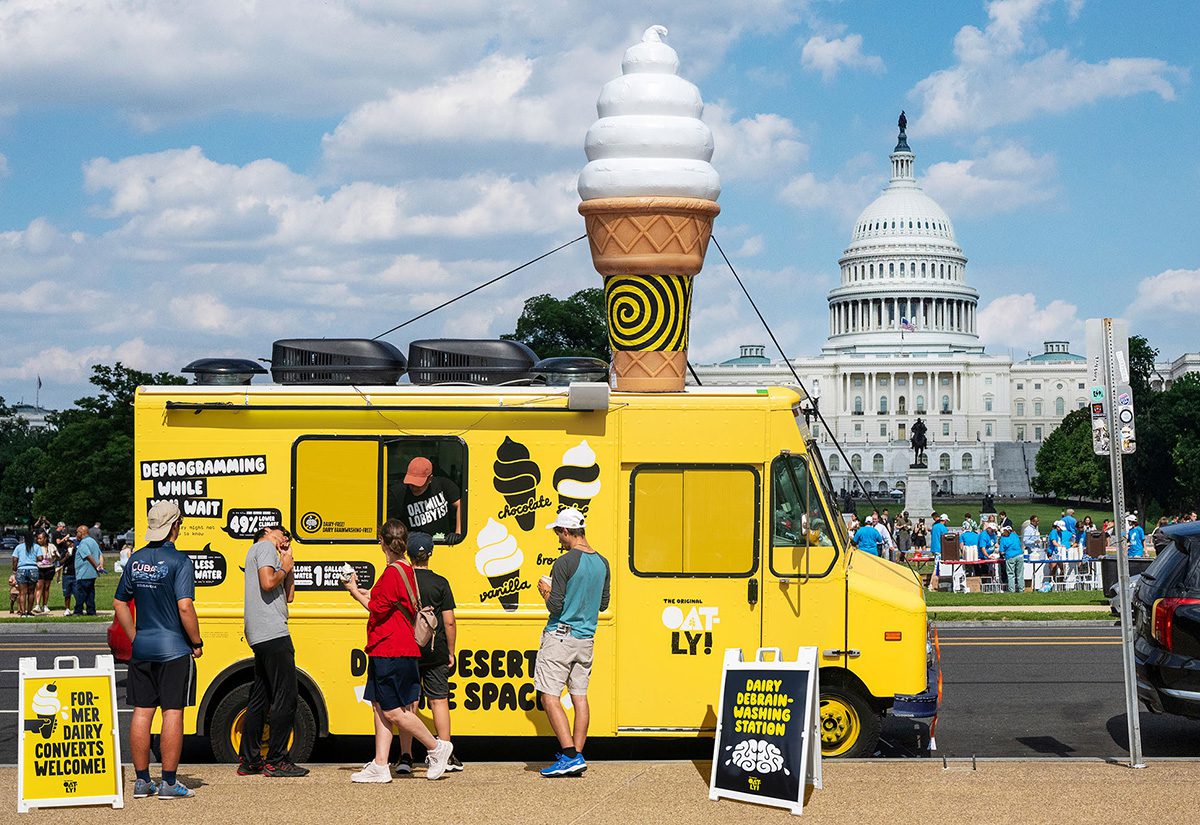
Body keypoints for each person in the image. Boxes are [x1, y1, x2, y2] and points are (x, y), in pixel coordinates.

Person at [342, 519, 453, 783]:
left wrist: (353, 591)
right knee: (380, 706)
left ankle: (437, 748)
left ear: (382, 542)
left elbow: (376, 608)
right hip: (394, 647)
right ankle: (380, 765)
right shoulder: (405, 568)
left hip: (391, 647)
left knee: (394, 711)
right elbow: (387, 602)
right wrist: (368, 593)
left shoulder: (392, 572)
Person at [113, 501, 203, 799]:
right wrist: (197, 642)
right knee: (172, 712)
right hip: (173, 648)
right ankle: (168, 781)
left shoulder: (136, 559)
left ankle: (141, 781)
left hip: (144, 647)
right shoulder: (179, 561)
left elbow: (119, 603)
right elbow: (185, 606)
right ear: (175, 526)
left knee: (142, 711)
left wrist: (135, 636)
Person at [536, 508, 610, 778]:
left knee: (549, 696)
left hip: (561, 636)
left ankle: (569, 754)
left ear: (567, 532)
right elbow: (603, 604)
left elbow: (555, 606)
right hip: (586, 639)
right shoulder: (602, 562)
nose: (558, 538)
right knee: (579, 696)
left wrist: (546, 591)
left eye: (559, 532)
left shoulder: (565, 562)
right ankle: (576, 756)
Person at [238, 525, 308, 778]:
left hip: (259, 632)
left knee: (261, 696)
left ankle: (250, 759)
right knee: (286, 695)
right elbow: (268, 583)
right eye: (283, 533)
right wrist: (283, 566)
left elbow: (289, 596)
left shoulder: (262, 552)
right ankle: (277, 759)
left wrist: (289, 564)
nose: (286, 538)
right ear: (267, 530)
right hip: (273, 632)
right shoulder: (265, 546)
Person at [395, 532, 463, 774]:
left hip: (406, 650)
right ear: (430, 554)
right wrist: (451, 652)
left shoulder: (402, 580)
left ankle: (405, 757)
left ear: (408, 554)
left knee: (408, 704)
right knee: (438, 700)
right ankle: (445, 755)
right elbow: (450, 622)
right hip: (436, 651)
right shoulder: (440, 582)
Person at [391, 457, 462, 542]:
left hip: (442, 545)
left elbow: (460, 504)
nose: (413, 487)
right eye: (410, 483)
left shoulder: (443, 485)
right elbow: (389, 524)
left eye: (418, 484)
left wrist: (458, 533)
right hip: (413, 546)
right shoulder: (398, 493)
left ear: (430, 479)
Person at [73, 524, 104, 616]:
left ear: (82, 532)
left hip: (84, 573)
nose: (76, 534)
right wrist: (100, 566)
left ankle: (78, 611)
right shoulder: (93, 541)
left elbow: (88, 556)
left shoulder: (84, 543)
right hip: (92, 574)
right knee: (90, 593)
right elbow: (101, 555)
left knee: (81, 593)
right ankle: (91, 611)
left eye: (77, 532)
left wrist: (96, 566)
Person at [10, 533, 37, 617]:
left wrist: (14, 570)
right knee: (31, 592)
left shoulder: (19, 547)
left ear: (24, 539)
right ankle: (29, 611)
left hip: (21, 569)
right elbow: (40, 558)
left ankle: (22, 611)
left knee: (22, 592)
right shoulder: (36, 547)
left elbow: (15, 559)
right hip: (33, 569)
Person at [33, 530, 56, 614]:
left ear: (45, 538)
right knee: (39, 586)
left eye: (40, 538)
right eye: (38, 538)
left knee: (46, 587)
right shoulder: (35, 547)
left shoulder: (51, 546)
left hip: (49, 568)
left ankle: (45, 605)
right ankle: (37, 605)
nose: (39, 540)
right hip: (39, 568)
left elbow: (58, 556)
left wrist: (54, 555)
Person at [999, 524, 1024, 593]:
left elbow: (1001, 551)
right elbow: (1019, 544)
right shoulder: (1015, 535)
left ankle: (1011, 590)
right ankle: (1021, 589)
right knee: (1020, 574)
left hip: (1010, 557)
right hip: (1019, 555)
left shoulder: (1003, 539)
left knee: (1011, 574)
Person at [1045, 520, 1069, 589]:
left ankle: (1060, 584)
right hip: (1052, 553)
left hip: (1058, 553)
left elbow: (1059, 542)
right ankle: (1052, 584)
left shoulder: (1060, 533)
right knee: (1053, 568)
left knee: (1062, 568)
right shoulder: (1053, 532)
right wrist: (1061, 546)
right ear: (1058, 527)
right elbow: (1054, 542)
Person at [928, 514, 949, 592]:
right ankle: (931, 584)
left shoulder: (934, 526)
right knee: (936, 568)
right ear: (945, 520)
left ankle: (937, 583)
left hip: (934, 548)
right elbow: (946, 540)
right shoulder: (943, 528)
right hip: (939, 549)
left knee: (937, 567)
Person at [57, 537, 77, 616]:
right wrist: (66, 557)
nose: (71, 546)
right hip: (66, 574)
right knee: (67, 593)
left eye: (72, 545)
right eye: (68, 546)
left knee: (77, 592)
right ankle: (67, 609)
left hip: (75, 574)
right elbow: (60, 562)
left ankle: (78, 608)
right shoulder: (64, 552)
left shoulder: (77, 552)